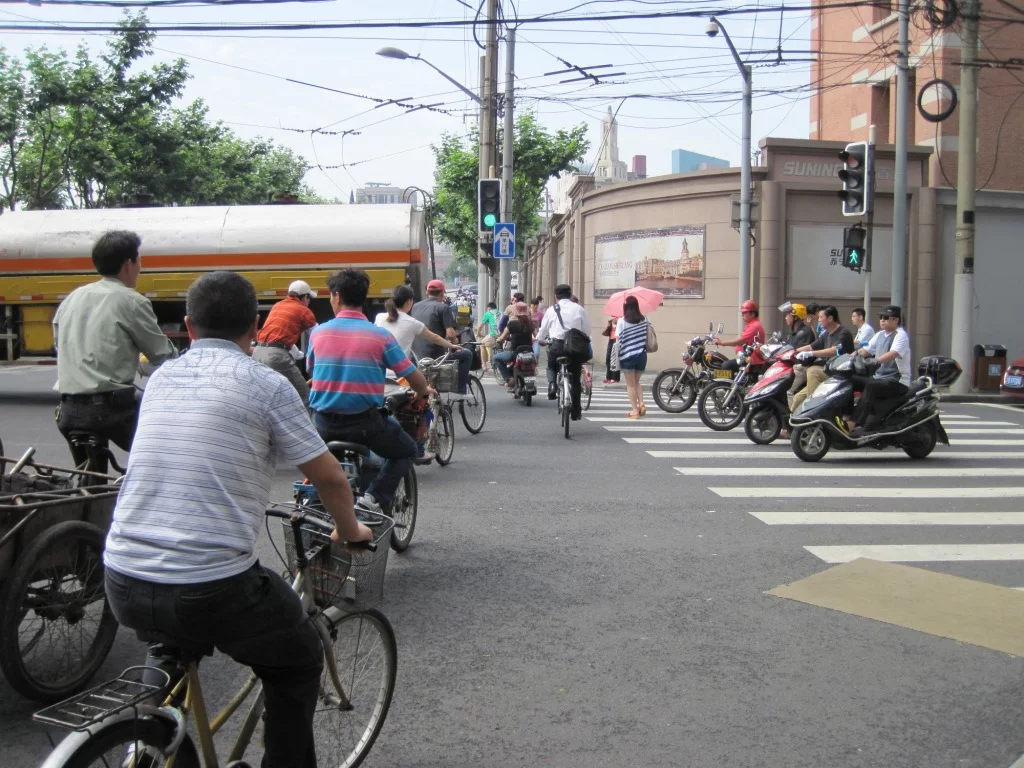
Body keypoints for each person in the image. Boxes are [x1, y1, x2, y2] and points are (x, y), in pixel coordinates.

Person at [103, 271, 373, 768]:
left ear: (188, 326)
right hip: (212, 585)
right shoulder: (266, 384)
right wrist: (350, 530)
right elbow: (331, 480)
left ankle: (151, 742)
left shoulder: (161, 378)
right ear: (255, 326)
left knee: (170, 644)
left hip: (121, 575)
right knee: (298, 660)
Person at [310, 269, 432, 512]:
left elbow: (312, 369)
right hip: (364, 424)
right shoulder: (380, 336)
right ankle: (373, 498)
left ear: (336, 296)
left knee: (322, 467)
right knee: (407, 449)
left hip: (323, 423)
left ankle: (314, 503)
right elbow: (413, 377)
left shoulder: (318, 332)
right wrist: (422, 390)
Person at [53, 230, 178, 466]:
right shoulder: (131, 301)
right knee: (167, 451)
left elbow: (60, 345)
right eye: (139, 260)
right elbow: (161, 354)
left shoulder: (72, 298)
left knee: (89, 477)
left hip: (68, 411)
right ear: (128, 263)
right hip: (111, 412)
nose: (140, 267)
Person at [847, 305, 911, 435]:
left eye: (886, 317)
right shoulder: (880, 334)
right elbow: (865, 350)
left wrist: (876, 360)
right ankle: (846, 415)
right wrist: (848, 357)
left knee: (871, 386)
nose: (882, 320)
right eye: (881, 317)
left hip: (897, 381)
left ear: (896, 320)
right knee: (849, 380)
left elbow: (893, 353)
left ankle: (853, 423)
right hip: (879, 378)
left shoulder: (900, 335)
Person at [252, 279, 318, 406]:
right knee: (304, 396)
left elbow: (279, 336)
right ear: (305, 297)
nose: (309, 302)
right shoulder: (303, 310)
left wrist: (298, 354)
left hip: (258, 353)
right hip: (275, 357)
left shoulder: (278, 305)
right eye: (309, 298)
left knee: (269, 397)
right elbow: (319, 335)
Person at [536, 283, 591, 419]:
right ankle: (576, 412)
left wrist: (539, 339)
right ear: (570, 295)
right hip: (574, 348)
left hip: (557, 346)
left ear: (556, 296)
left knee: (551, 365)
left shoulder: (551, 310)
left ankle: (552, 385)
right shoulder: (579, 309)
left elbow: (543, 330)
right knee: (575, 378)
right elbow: (587, 330)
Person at [410, 279, 472, 397]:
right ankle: (460, 390)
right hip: (436, 356)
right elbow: (451, 334)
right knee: (467, 354)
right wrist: (454, 344)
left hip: (417, 355)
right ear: (442, 293)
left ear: (427, 293)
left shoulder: (415, 306)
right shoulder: (443, 308)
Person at [790, 305, 855, 413]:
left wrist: (811, 353)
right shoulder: (826, 334)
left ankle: (811, 411)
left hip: (839, 375)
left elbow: (834, 350)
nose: (818, 320)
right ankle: (790, 423)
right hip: (828, 372)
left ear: (830, 318)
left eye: (821, 317)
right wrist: (792, 351)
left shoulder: (843, 333)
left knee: (813, 371)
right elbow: (811, 346)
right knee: (797, 398)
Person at [375, 284, 462, 358]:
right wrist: (451, 345)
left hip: (379, 367)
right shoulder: (412, 322)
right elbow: (435, 338)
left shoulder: (379, 317)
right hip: (401, 369)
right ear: (409, 301)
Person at [616, 297, 649, 418]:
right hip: (642, 355)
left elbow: (618, 340)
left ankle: (635, 411)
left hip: (628, 357)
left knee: (630, 384)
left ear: (625, 307)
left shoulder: (621, 321)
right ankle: (641, 403)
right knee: (636, 382)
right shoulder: (645, 319)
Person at [712, 299, 767, 371]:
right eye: (742, 313)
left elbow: (741, 341)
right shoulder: (751, 324)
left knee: (726, 365)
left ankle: (722, 379)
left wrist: (722, 342)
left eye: (744, 313)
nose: (742, 315)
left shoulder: (755, 326)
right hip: (746, 359)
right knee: (724, 364)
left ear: (752, 313)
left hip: (752, 361)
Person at [492, 302, 535, 387]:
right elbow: (537, 336)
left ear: (516, 313)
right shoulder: (530, 324)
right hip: (530, 352)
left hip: (514, 353)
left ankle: (508, 379)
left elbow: (502, 337)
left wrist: (498, 340)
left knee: (496, 358)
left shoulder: (512, 324)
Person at [477, 301, 500, 368]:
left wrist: (478, 334)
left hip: (494, 335)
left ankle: (484, 365)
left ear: (489, 308)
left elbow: (480, 326)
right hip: (503, 335)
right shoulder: (501, 312)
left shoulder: (488, 313)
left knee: (482, 344)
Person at [603, 316, 621, 384]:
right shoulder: (612, 317)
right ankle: (608, 377)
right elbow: (608, 330)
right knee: (608, 357)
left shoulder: (621, 318)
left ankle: (615, 377)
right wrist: (609, 323)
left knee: (615, 358)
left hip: (617, 339)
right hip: (611, 339)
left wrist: (616, 323)